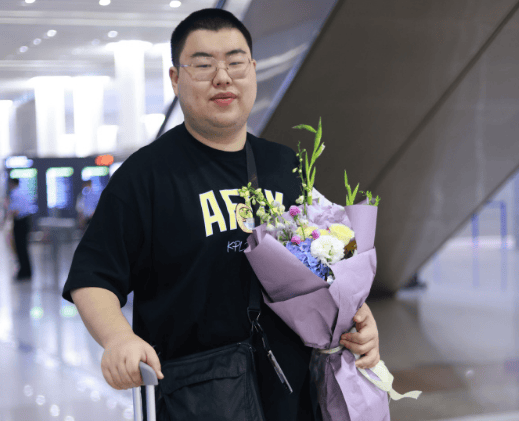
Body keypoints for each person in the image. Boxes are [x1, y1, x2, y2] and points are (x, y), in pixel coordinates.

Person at [62, 8, 381, 420]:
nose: (223, 77)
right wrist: (118, 339)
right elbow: (93, 277)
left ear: (253, 70)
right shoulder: (145, 175)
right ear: (175, 78)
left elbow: (328, 265)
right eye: (203, 65)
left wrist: (356, 319)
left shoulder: (286, 166)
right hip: (198, 398)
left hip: (292, 394)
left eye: (235, 62)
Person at [7, 177, 33, 281]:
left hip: (20, 222)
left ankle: (23, 271)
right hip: (26, 221)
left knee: (20, 248)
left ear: (12, 183)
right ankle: (27, 271)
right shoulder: (23, 192)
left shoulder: (14, 194)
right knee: (24, 247)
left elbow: (15, 211)